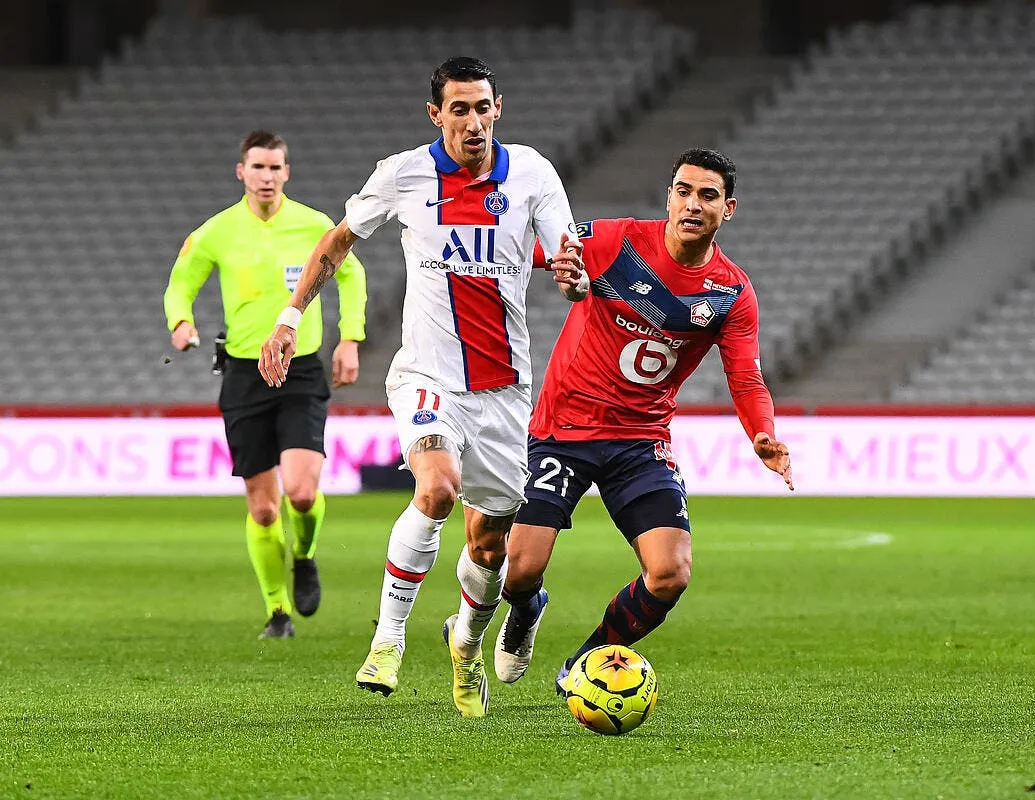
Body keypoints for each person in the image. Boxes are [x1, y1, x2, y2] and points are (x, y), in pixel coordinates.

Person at [258, 57, 587, 716]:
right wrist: (290, 317)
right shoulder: (404, 173)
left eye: (482, 107)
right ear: (435, 114)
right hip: (427, 375)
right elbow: (338, 241)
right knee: (435, 489)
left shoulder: (531, 174)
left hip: (504, 389)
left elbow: (564, 253)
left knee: (488, 544)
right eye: (459, 109)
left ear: (500, 109)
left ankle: (466, 644)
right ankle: (388, 640)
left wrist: (571, 272)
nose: (473, 121)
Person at [492, 148, 793, 693]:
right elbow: (533, 249)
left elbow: (746, 378)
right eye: (683, 190)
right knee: (520, 569)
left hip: (641, 440)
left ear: (729, 209)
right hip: (565, 429)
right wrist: (553, 261)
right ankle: (528, 605)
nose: (692, 204)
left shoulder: (731, 292)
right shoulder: (618, 241)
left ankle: (588, 662)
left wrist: (762, 432)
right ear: (669, 196)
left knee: (670, 572)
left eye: (707, 195)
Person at [164, 130, 367, 640]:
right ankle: (278, 612)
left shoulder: (314, 224)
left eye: (276, 168)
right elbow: (181, 281)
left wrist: (350, 338)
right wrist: (180, 322)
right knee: (263, 506)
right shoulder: (216, 231)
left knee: (299, 494)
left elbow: (351, 275)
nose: (267, 177)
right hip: (243, 373)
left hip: (300, 369)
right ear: (242, 172)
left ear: (287, 173)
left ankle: (305, 554)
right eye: (258, 167)